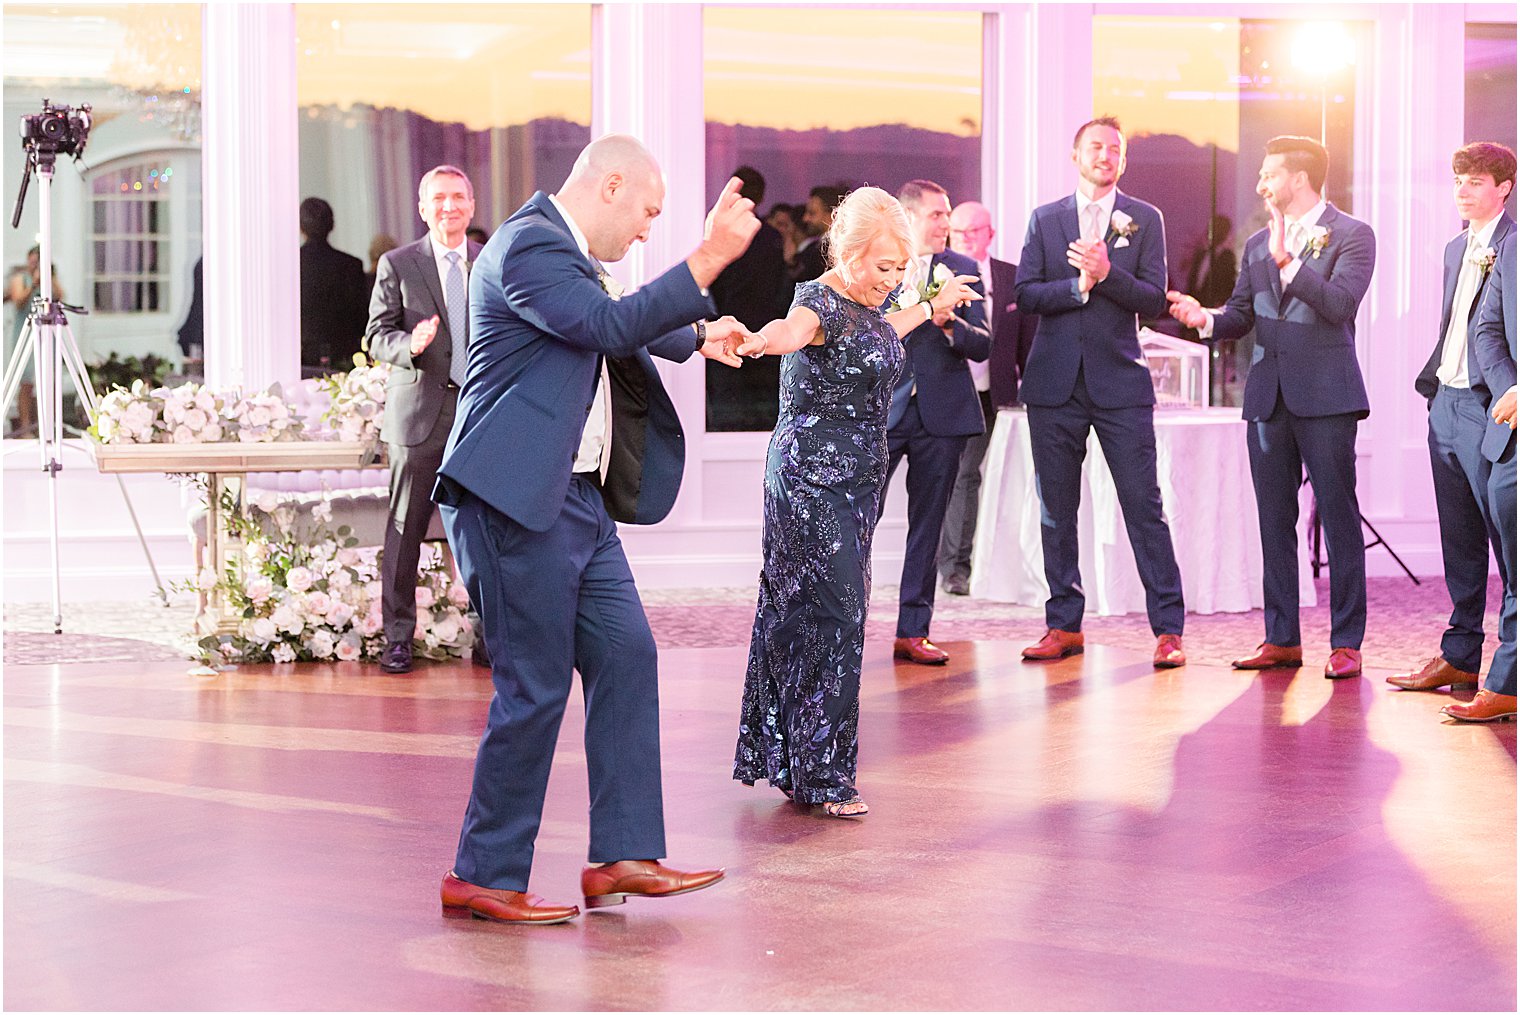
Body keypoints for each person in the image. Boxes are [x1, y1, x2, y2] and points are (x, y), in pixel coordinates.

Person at [431, 134, 759, 924]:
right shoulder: (526, 247)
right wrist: (709, 258)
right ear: (611, 185)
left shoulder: (565, 253)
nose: (648, 228)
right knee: (534, 686)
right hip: (512, 500)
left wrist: (698, 333)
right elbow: (606, 326)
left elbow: (609, 316)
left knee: (627, 652)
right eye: (647, 211)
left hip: (574, 501)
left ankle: (622, 854)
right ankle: (482, 873)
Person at [731, 186, 982, 815]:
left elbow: (883, 332)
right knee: (836, 615)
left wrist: (930, 300)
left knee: (823, 616)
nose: (891, 280)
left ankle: (800, 761)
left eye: (901, 269)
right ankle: (825, 776)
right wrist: (760, 342)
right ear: (847, 253)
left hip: (857, 483)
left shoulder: (878, 305)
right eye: (882, 268)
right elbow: (792, 333)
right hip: (809, 480)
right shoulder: (815, 303)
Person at [1168, 135, 1374, 679]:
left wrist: (1291, 266)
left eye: (1268, 174)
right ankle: (1281, 638)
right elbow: (1240, 314)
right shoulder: (1257, 242)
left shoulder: (1353, 235)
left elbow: (1340, 306)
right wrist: (1204, 319)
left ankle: (1346, 641)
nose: (1260, 185)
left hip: (1328, 395)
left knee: (1337, 515)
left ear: (1298, 179)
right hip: (1268, 396)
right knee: (1272, 519)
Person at [1015, 116, 1187, 669]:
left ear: (1123, 160)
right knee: (1056, 511)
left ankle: (1168, 630)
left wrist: (1108, 273)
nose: (1106, 155)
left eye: (1115, 149)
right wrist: (1077, 286)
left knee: (1144, 506)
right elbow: (1026, 293)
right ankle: (1063, 624)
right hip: (1053, 385)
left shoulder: (1146, 218)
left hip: (1120, 383)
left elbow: (1154, 298)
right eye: (1096, 147)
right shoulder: (1046, 219)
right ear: (1075, 155)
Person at [1390, 142, 1515, 695]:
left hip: (1494, 409)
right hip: (1446, 400)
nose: (1462, 191)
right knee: (1458, 537)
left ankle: (1507, 668)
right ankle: (1460, 654)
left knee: (1506, 540)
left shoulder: (1513, 244)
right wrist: (1437, 386)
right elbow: (1457, 325)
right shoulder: (1453, 249)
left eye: (1474, 182)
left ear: (1504, 188)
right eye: (1457, 181)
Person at [365, 166, 485, 675]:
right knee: (404, 530)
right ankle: (397, 638)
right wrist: (408, 346)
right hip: (419, 417)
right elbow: (375, 336)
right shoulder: (398, 264)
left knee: (483, 532)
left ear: (471, 205)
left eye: (458, 197)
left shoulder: (491, 262)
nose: (449, 207)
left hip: (479, 417)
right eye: (439, 198)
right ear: (422, 207)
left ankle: (487, 638)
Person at [879, 180, 990, 664]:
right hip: (884, 412)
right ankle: (841, 626)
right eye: (937, 215)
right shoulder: (879, 266)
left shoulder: (963, 270)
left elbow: (984, 343)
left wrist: (949, 323)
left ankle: (913, 630)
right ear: (908, 218)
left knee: (928, 527)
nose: (947, 224)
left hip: (941, 416)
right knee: (859, 520)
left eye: (948, 214)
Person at [938, 199, 1038, 596]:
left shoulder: (1013, 278)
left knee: (988, 479)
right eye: (958, 230)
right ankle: (953, 568)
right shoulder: (935, 275)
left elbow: (1027, 344)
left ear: (990, 234)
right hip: (950, 394)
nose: (965, 237)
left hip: (998, 398)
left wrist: (1031, 395)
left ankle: (980, 565)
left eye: (974, 230)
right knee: (961, 477)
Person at [1444, 230, 1517, 722]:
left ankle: (1504, 680)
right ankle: (1507, 682)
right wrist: (1509, 385)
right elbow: (1486, 328)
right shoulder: (1513, 247)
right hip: (1510, 425)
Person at [298, 197, 369, 376]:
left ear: (300, 227)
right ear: (332, 225)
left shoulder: (291, 264)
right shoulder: (351, 265)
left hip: (304, 357)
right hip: (346, 359)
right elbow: (362, 317)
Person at [795, 185, 845, 282]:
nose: (805, 218)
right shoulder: (815, 248)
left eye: (812, 213)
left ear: (833, 214)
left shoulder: (836, 252)